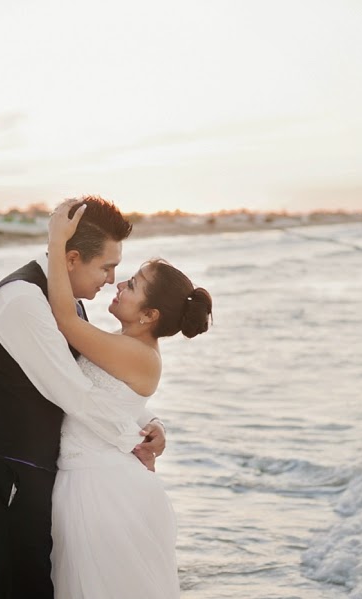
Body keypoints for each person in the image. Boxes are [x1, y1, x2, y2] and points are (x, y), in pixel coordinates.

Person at [0, 196, 167, 599]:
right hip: (5, 470)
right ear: (71, 259)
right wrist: (133, 440)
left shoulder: (65, 300)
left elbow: (98, 379)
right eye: (106, 267)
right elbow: (71, 391)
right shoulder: (22, 301)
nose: (112, 280)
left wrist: (148, 422)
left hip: (35, 470)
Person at [45, 200, 213, 599]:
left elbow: (64, 320)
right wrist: (153, 423)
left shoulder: (137, 354)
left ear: (149, 315)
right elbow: (119, 400)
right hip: (91, 482)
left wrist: (56, 241)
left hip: (103, 492)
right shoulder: (125, 347)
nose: (119, 284)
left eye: (132, 285)